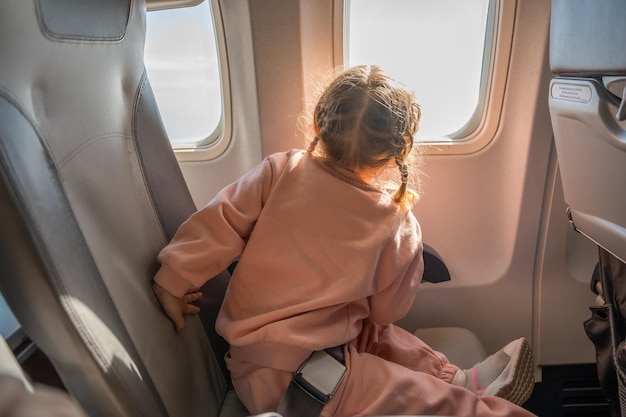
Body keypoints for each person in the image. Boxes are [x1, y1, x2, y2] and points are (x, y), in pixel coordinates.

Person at [152, 65, 537, 417]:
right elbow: (387, 311)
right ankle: (469, 400)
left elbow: (218, 222)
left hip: (256, 360)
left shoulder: (281, 170)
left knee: (369, 331)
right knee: (434, 402)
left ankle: (452, 377)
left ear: (320, 121)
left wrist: (173, 280)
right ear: (397, 152)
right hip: (303, 384)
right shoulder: (396, 221)